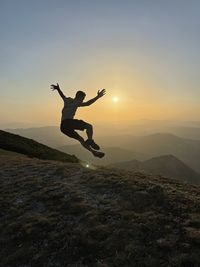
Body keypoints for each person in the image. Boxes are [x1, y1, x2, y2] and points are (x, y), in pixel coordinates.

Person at [51, 83, 106, 158]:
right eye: (83, 98)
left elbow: (62, 95)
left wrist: (58, 89)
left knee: (81, 139)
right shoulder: (76, 102)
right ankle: (90, 140)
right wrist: (98, 97)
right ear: (79, 97)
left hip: (63, 127)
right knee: (89, 126)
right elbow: (87, 103)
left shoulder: (67, 100)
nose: (83, 100)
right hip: (68, 122)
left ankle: (93, 152)